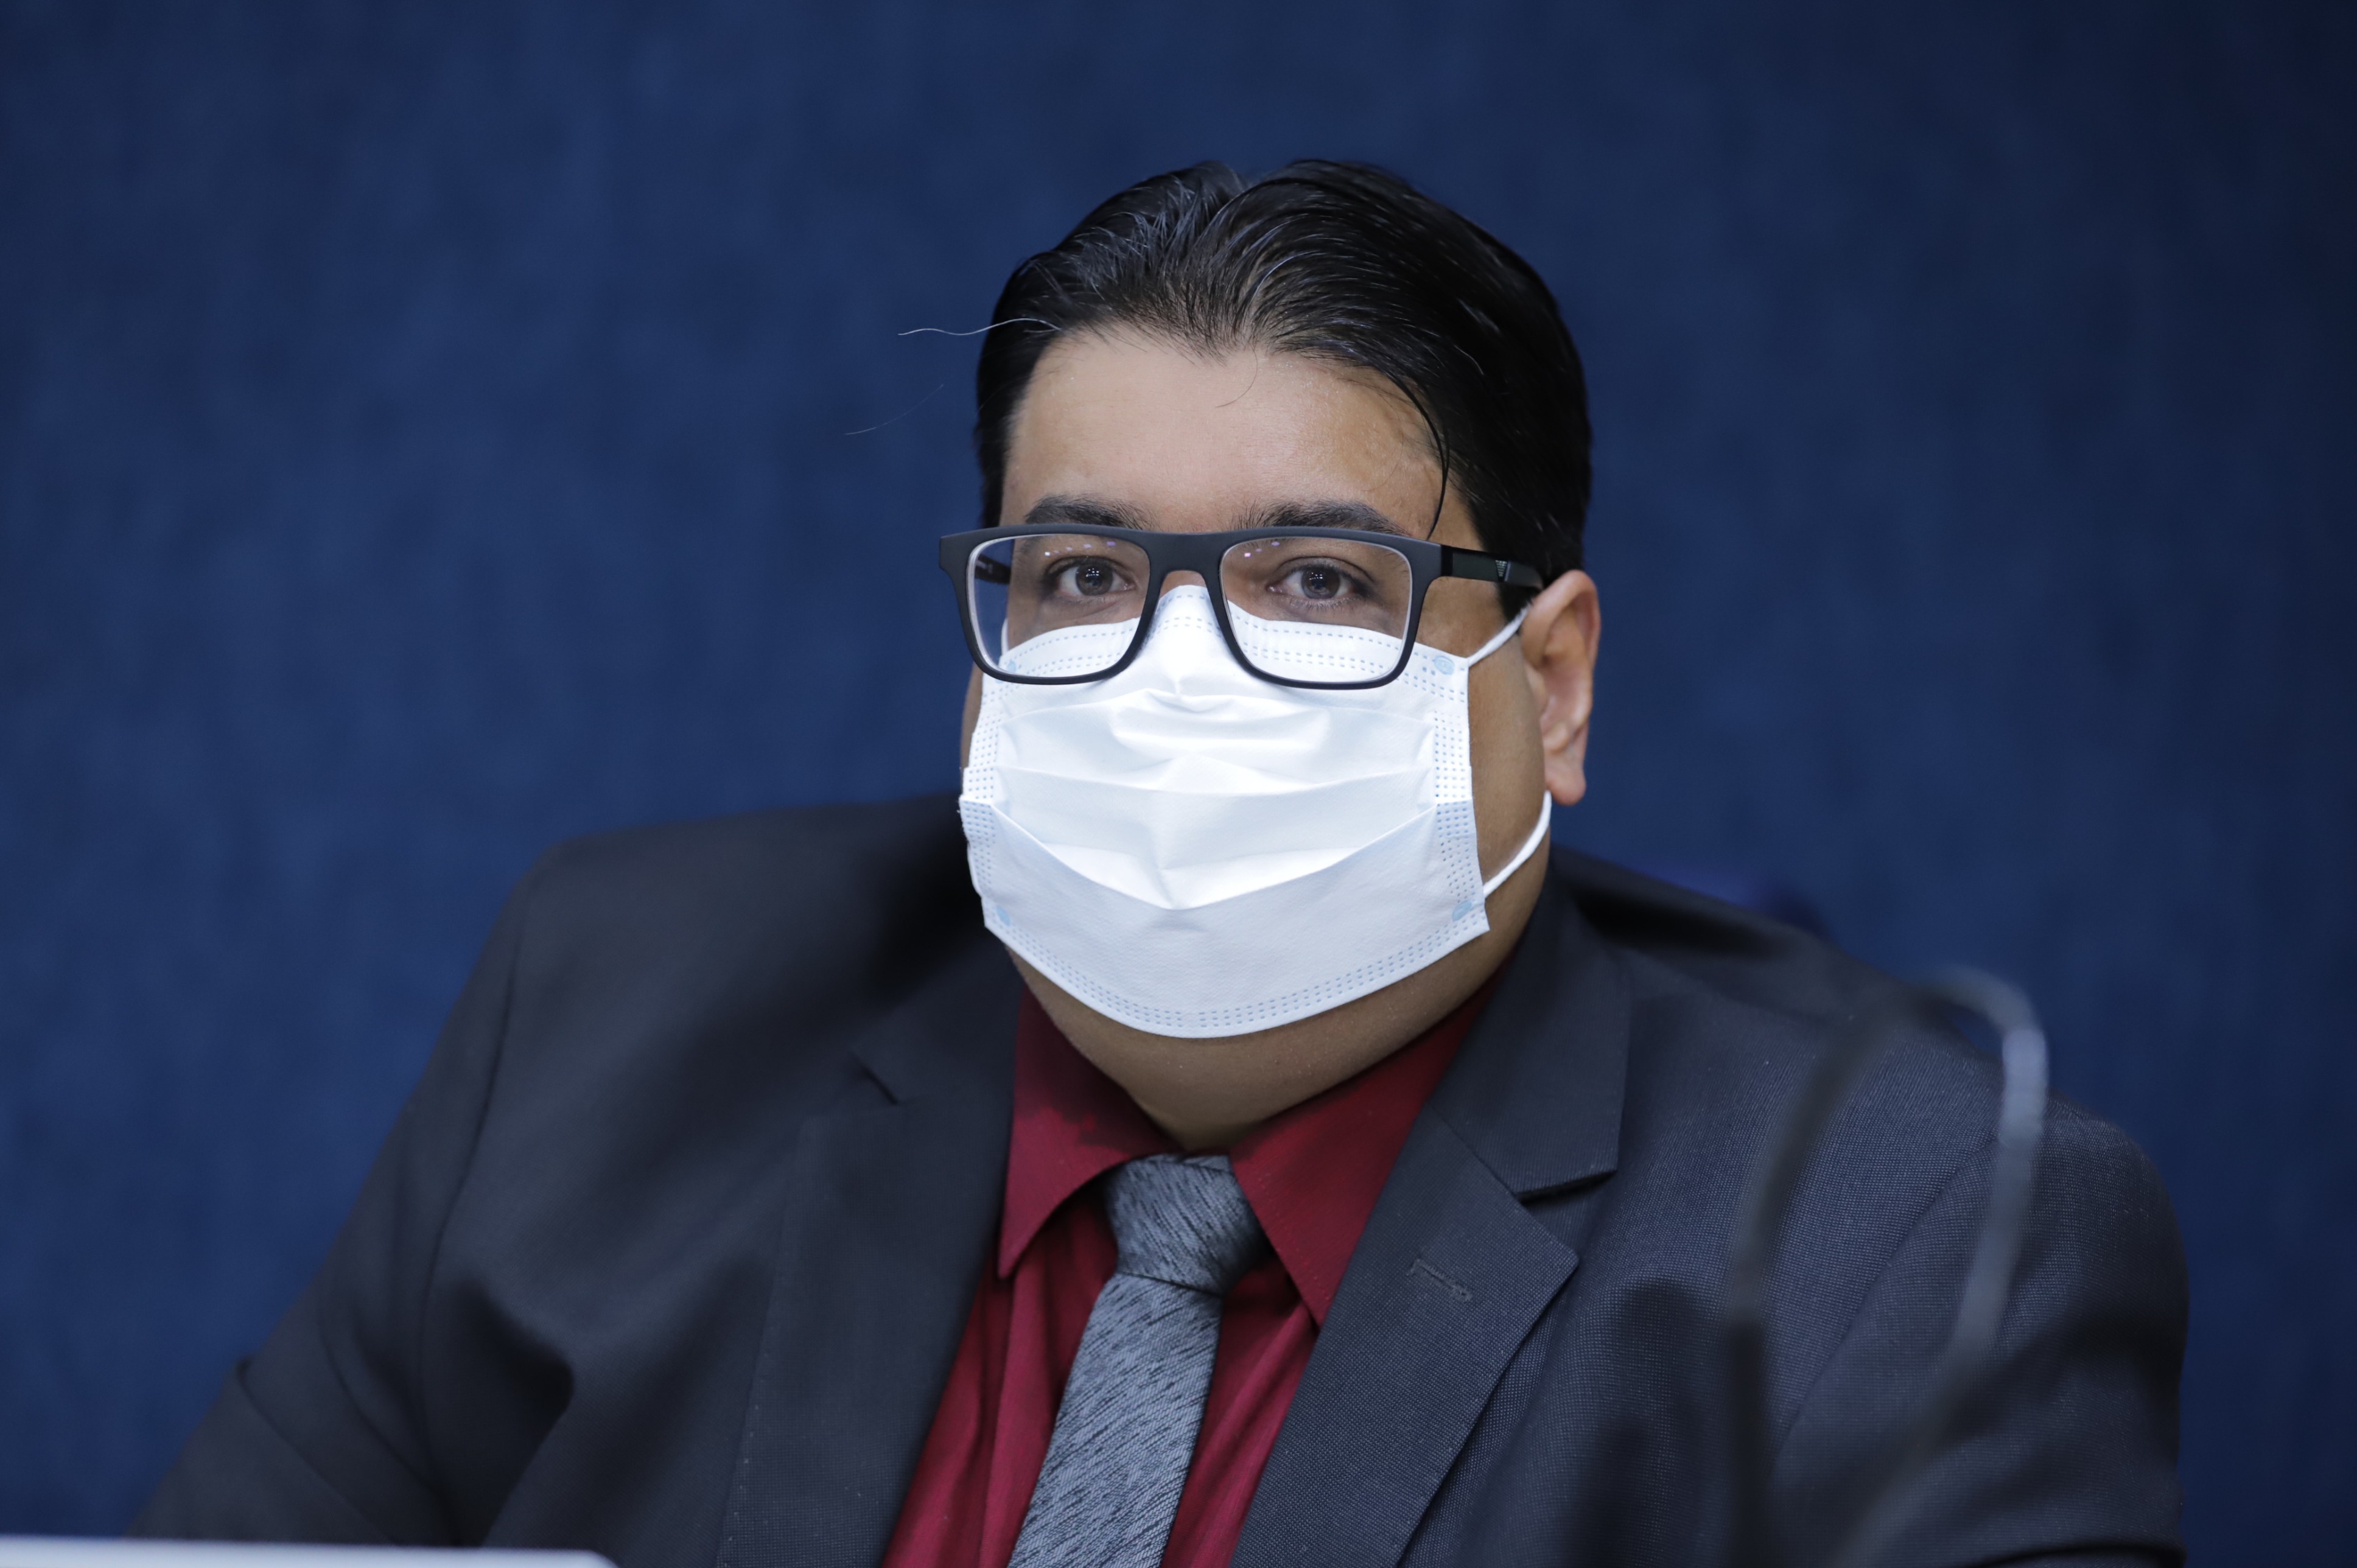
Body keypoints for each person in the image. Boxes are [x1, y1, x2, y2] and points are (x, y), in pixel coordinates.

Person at [133, 162, 2186, 1568]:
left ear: (1551, 687)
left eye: (1319, 581)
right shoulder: (610, 1018)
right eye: (1087, 574)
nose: (1179, 673)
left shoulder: (1905, 1239)